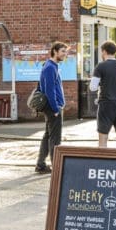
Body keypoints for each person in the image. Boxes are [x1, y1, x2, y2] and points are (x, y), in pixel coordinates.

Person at [35, 41, 67, 174]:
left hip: (52, 106)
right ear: (55, 51)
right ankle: (56, 166)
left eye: (65, 52)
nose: (65, 54)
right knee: (55, 137)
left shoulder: (51, 66)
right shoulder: (50, 67)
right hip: (52, 107)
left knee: (48, 135)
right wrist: (55, 108)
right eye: (63, 52)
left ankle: (41, 164)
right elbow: (49, 90)